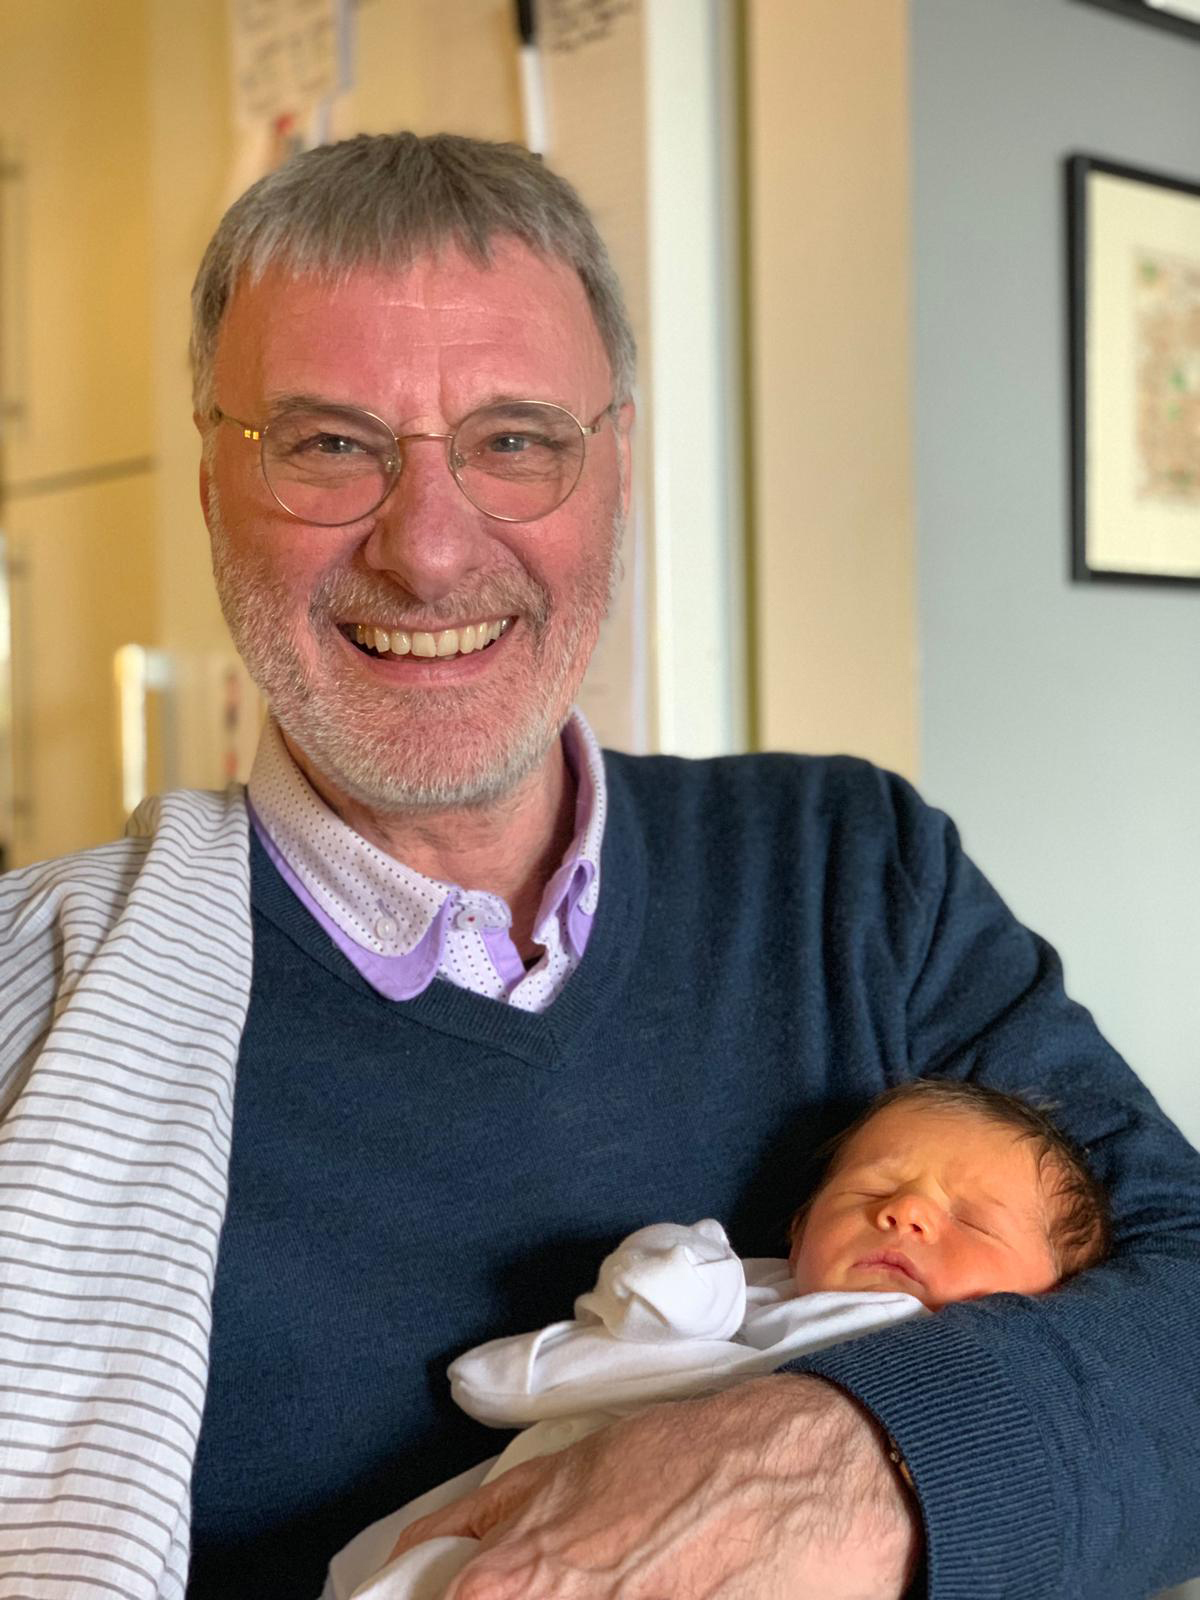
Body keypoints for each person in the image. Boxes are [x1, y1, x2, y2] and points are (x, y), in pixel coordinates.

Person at [0, 130, 1196, 1600]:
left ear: (615, 468)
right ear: (210, 488)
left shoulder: (854, 875)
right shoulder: (47, 1004)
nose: (430, 552)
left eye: (514, 441)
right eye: (327, 444)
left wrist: (818, 1464)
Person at [330, 1080, 1112, 1599]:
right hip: (506, 1530)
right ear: (800, 1228)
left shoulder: (966, 1364)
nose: (904, 1211)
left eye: (971, 1219)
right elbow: (620, 1336)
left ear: (1062, 1297)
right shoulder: (753, 1289)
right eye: (871, 1189)